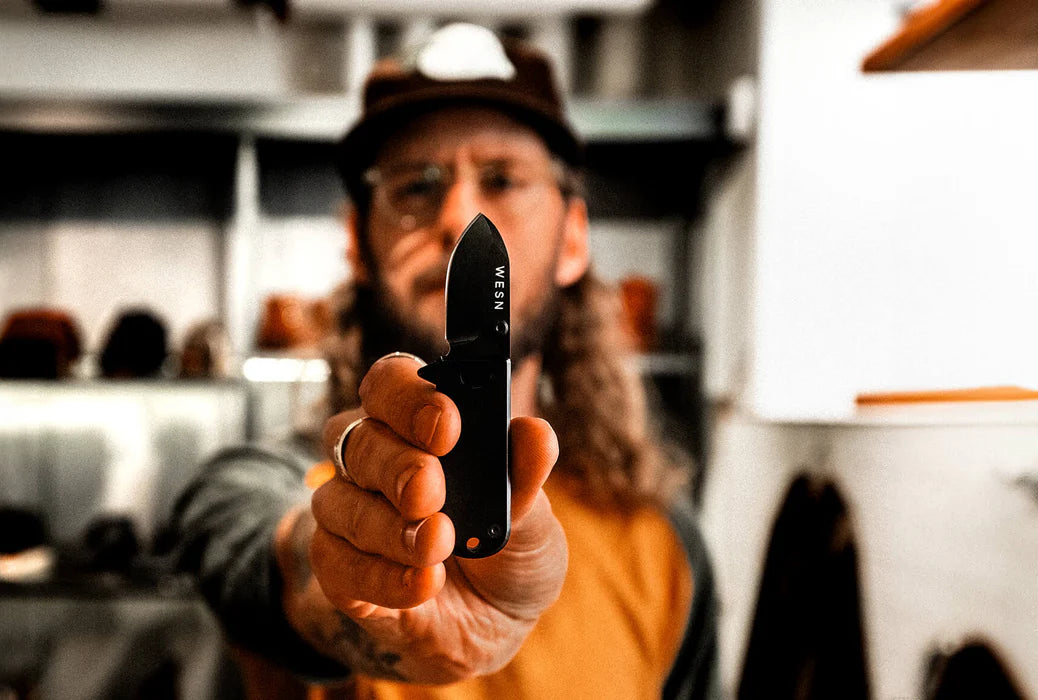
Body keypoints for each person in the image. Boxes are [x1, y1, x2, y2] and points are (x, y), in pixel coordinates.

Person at [172, 23, 717, 699]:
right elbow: (279, 556)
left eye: (503, 179)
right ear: (357, 240)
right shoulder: (260, 484)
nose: (458, 216)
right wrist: (353, 568)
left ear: (574, 239)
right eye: (415, 186)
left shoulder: (663, 539)